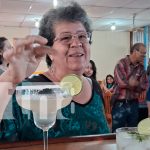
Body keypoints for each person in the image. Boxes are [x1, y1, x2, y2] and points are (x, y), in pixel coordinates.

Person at [0, 3, 109, 141]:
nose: (77, 43)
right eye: (66, 38)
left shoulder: (95, 87)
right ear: (49, 51)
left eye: (82, 36)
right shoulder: (28, 91)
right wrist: (10, 77)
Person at [111, 43, 148, 132]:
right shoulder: (121, 63)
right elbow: (121, 83)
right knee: (117, 131)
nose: (144, 56)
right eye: (142, 53)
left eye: (145, 53)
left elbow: (143, 86)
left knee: (133, 131)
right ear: (135, 51)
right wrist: (134, 84)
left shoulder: (141, 67)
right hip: (120, 103)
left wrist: (134, 83)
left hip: (134, 103)